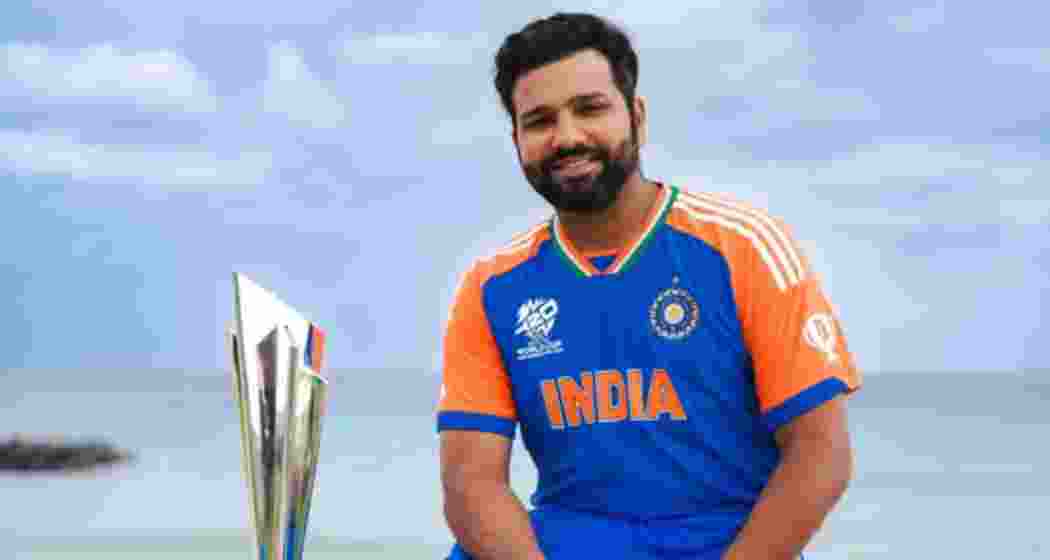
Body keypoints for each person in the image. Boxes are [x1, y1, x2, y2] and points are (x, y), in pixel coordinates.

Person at [436, 12, 861, 560]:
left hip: (727, 541)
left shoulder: (746, 247)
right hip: (564, 542)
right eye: (539, 120)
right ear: (517, 139)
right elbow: (471, 483)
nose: (567, 137)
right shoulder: (492, 285)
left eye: (590, 109)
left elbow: (819, 454)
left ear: (636, 115)